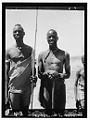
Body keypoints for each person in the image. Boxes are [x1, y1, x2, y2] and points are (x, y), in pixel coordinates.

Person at [5, 24, 37, 116]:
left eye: (19, 31)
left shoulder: (30, 50)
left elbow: (33, 69)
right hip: (13, 87)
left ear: (24, 33)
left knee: (25, 112)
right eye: (15, 31)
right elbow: (5, 73)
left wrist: (35, 78)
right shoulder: (8, 51)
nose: (17, 33)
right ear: (12, 34)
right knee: (15, 113)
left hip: (26, 87)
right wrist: (5, 93)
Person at [38, 29, 71, 114]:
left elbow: (68, 74)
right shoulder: (41, 55)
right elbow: (39, 75)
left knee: (60, 113)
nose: (51, 39)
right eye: (49, 37)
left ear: (57, 38)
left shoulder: (64, 54)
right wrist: (46, 73)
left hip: (59, 87)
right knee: (48, 113)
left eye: (53, 37)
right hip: (46, 87)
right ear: (46, 39)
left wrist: (58, 75)